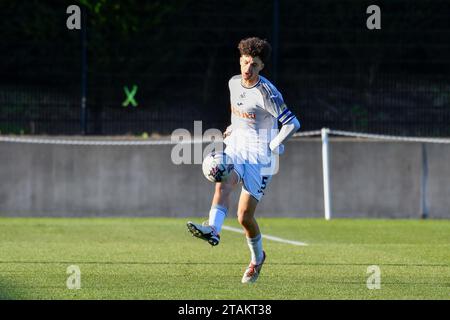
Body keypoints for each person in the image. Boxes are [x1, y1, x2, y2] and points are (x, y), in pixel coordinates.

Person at [187, 37, 300, 284]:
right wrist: (232, 127)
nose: (248, 69)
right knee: (223, 179)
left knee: (244, 217)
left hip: (261, 156)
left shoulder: (267, 93)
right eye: (246, 62)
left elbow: (292, 124)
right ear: (240, 60)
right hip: (237, 147)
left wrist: (273, 145)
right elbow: (242, 115)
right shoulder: (233, 83)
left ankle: (257, 259)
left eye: (255, 65)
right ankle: (213, 231)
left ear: (262, 67)